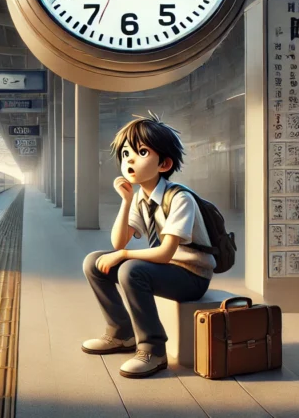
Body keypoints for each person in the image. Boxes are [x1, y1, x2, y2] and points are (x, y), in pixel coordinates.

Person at [81, 114, 214, 378]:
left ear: (164, 163)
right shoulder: (142, 196)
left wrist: (124, 254)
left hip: (191, 276)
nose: (129, 159)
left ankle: (153, 350)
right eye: (126, 152)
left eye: (141, 152)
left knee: (130, 270)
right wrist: (126, 201)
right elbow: (118, 242)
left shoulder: (180, 198)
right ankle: (121, 334)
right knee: (94, 262)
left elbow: (165, 253)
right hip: (166, 268)